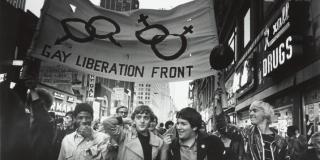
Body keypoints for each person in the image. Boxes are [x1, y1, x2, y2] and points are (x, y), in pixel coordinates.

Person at [216, 100, 288, 160]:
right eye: (250, 111)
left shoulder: (280, 141)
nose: (250, 113)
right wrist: (219, 101)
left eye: (255, 110)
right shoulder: (246, 133)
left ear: (265, 113)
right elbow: (223, 128)